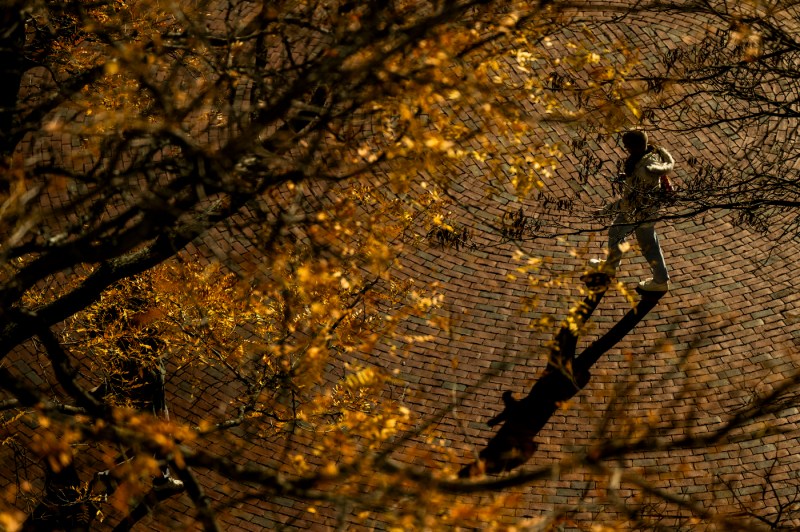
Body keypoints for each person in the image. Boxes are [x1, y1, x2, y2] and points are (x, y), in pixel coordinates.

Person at [589, 130, 674, 291]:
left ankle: (660, 281)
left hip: (638, 214)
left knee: (647, 246)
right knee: (617, 233)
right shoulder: (648, 157)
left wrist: (604, 211)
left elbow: (628, 201)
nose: (624, 147)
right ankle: (610, 267)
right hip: (643, 211)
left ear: (635, 146)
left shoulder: (643, 171)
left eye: (627, 145)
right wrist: (628, 177)